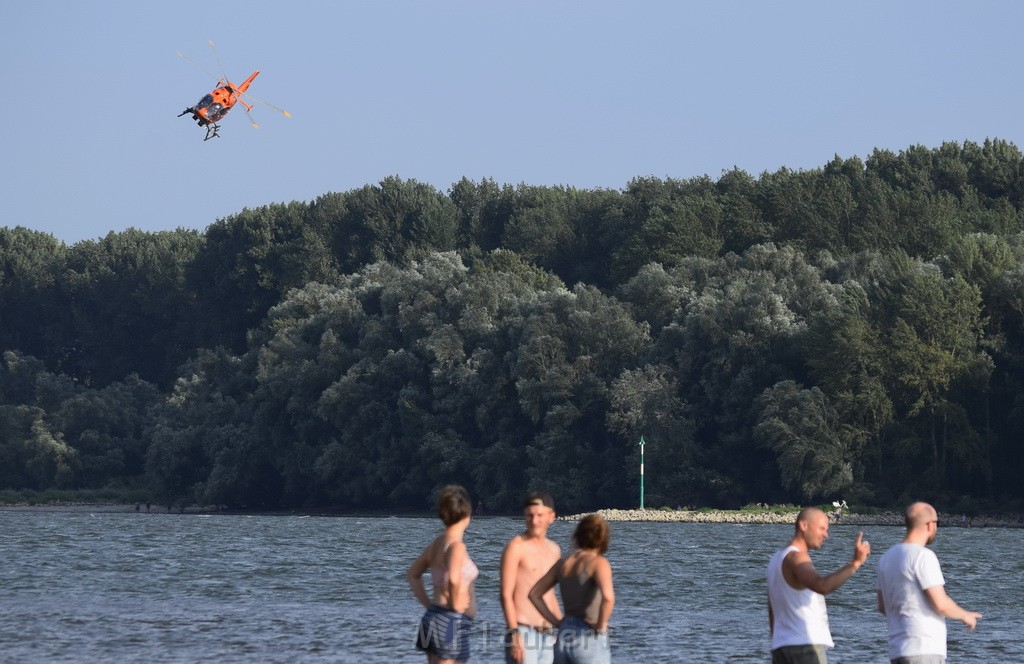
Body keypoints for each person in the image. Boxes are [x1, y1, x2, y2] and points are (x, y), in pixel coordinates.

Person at [876, 502, 982, 664]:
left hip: (898, 651)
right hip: (924, 649)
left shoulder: (885, 559)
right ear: (929, 525)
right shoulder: (923, 556)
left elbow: (883, 606)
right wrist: (965, 615)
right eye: (937, 523)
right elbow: (940, 603)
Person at [766, 507, 871, 664]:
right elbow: (822, 586)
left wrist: (777, 641)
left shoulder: (776, 559)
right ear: (803, 525)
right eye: (822, 528)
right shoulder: (796, 557)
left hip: (781, 646)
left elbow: (772, 608)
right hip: (803, 645)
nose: (825, 535)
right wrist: (855, 563)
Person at [528, 514, 614, 664]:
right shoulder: (599, 563)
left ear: (578, 535)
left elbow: (534, 594)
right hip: (587, 635)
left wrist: (556, 621)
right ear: (603, 537)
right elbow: (608, 598)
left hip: (564, 633)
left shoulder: (563, 563)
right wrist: (600, 627)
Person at [408, 485, 479, 664]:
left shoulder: (436, 544)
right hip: (450, 621)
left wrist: (428, 604)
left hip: (433, 617)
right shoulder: (457, 546)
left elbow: (413, 574)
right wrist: (456, 609)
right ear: (467, 514)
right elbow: (454, 579)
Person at [501, 491, 562, 664]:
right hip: (523, 631)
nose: (534, 521)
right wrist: (514, 634)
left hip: (548, 634)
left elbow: (549, 595)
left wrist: (562, 627)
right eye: (530, 515)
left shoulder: (554, 550)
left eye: (540, 515)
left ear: (551, 516)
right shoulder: (515, 547)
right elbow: (506, 594)